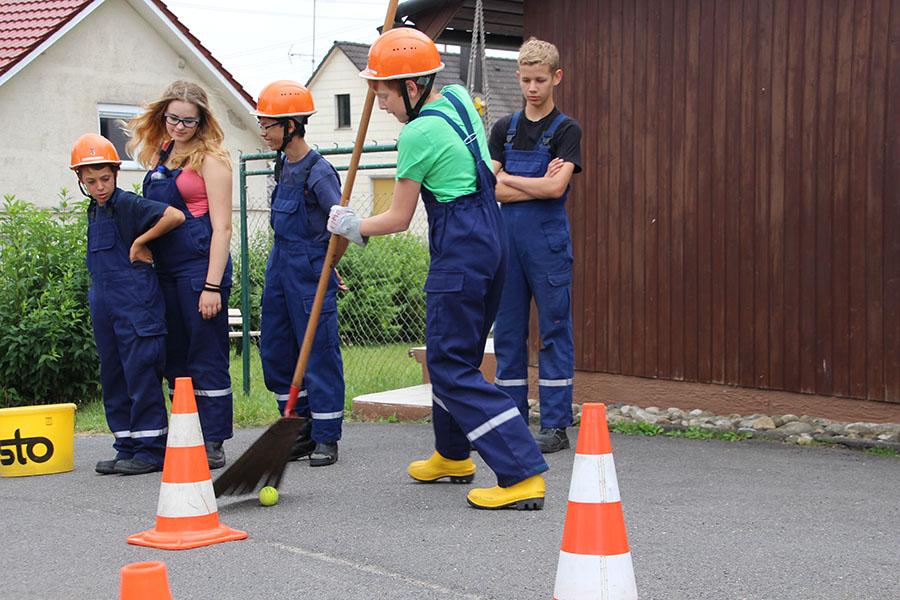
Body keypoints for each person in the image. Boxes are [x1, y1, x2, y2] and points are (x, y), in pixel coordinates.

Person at [328, 27, 548, 510]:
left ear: (411, 87)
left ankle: (522, 471)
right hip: (493, 238)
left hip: (461, 250)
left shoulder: (418, 132)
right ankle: (453, 456)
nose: (380, 105)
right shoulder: (454, 99)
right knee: (459, 357)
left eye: (384, 93)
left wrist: (352, 224)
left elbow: (399, 218)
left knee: (448, 367)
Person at [127, 80, 235, 469]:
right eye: (174, 118)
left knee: (205, 354)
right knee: (174, 356)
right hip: (164, 270)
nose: (179, 127)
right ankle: (186, 430)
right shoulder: (162, 154)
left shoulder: (212, 159)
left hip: (198, 269)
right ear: (164, 115)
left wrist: (212, 286)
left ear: (202, 120)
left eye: (189, 121)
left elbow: (222, 228)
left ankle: (213, 439)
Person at [70, 133, 185, 475]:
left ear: (116, 174)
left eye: (104, 179)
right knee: (114, 374)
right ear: (80, 180)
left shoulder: (128, 204)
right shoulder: (95, 210)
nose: (99, 186)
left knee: (141, 373)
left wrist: (141, 242)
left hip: (136, 305)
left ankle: (151, 450)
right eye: (90, 181)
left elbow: (174, 216)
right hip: (105, 306)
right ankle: (126, 446)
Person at [489, 38, 583, 453]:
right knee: (508, 333)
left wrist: (512, 179)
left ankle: (556, 425)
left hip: (548, 248)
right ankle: (511, 421)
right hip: (507, 248)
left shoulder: (567, 130)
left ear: (556, 78)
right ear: (518, 78)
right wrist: (536, 184)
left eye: (540, 80)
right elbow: (491, 189)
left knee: (553, 332)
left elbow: (556, 187)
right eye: (526, 80)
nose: (532, 88)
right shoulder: (501, 129)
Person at [253, 80, 345, 466]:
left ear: (292, 124)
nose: (263, 131)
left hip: (309, 267)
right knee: (276, 344)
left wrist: (330, 267)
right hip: (280, 263)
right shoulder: (281, 163)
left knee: (319, 351)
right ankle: (299, 428)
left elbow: (342, 225)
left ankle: (326, 435)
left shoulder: (318, 172)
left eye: (269, 124)